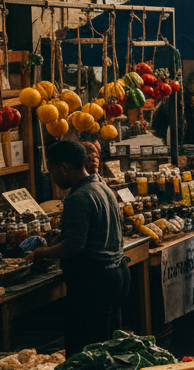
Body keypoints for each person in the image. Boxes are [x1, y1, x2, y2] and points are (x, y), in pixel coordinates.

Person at [30, 140, 128, 356]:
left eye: (52, 170)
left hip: (95, 282)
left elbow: (73, 247)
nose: (52, 177)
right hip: (116, 275)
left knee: (87, 351)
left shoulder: (79, 197)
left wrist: (40, 253)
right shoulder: (102, 187)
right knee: (109, 347)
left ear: (64, 167)